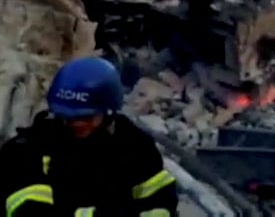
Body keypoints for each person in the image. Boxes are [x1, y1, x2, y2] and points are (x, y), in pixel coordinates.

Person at [0, 56, 179, 217]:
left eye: (86, 117)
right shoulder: (28, 150)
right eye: (68, 117)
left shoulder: (135, 146)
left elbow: (161, 201)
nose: (76, 124)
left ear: (108, 112)